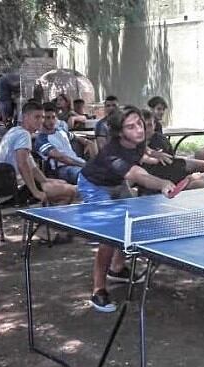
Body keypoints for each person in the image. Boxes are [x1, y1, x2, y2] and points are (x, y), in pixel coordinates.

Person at [78, 106, 176, 312]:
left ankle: (116, 268)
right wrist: (162, 183)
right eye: (131, 127)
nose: (139, 130)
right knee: (109, 235)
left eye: (139, 123)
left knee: (130, 223)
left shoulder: (138, 141)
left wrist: (154, 153)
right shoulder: (112, 154)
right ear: (121, 132)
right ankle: (98, 290)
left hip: (115, 182)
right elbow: (137, 175)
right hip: (94, 184)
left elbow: (142, 150)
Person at [0, 100, 77, 205]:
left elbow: (32, 166)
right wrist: (36, 192)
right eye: (36, 117)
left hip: (2, 187)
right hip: (9, 191)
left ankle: (47, 217)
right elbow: (23, 164)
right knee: (71, 191)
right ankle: (50, 218)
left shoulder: (15, 130)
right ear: (25, 117)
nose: (41, 120)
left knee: (63, 183)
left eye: (42, 117)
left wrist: (44, 180)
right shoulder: (23, 135)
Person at [140, 109, 204, 190]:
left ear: (154, 125)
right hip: (153, 179)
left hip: (170, 170)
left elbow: (169, 161)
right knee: (198, 184)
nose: (146, 130)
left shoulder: (160, 140)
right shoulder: (131, 142)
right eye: (143, 126)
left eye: (149, 125)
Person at [34, 102, 95, 185]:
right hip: (62, 168)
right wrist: (84, 165)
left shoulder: (61, 131)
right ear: (41, 119)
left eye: (53, 117)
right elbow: (62, 158)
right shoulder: (41, 139)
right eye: (47, 118)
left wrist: (87, 142)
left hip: (78, 163)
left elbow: (76, 137)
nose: (51, 121)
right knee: (87, 176)